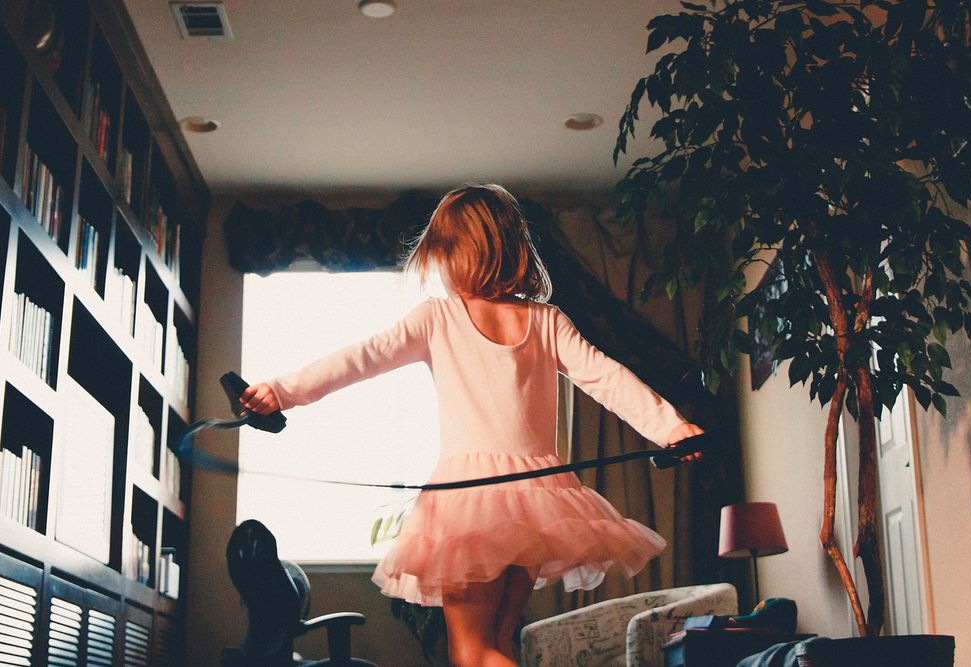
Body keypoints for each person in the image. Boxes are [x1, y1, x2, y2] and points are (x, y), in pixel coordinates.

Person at [240, 184, 704, 667]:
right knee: (498, 643)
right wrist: (671, 428)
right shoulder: (546, 321)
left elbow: (361, 359)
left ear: (455, 254)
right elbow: (606, 376)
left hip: (470, 498)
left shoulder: (438, 318)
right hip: (538, 497)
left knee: (472, 651)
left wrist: (280, 391)